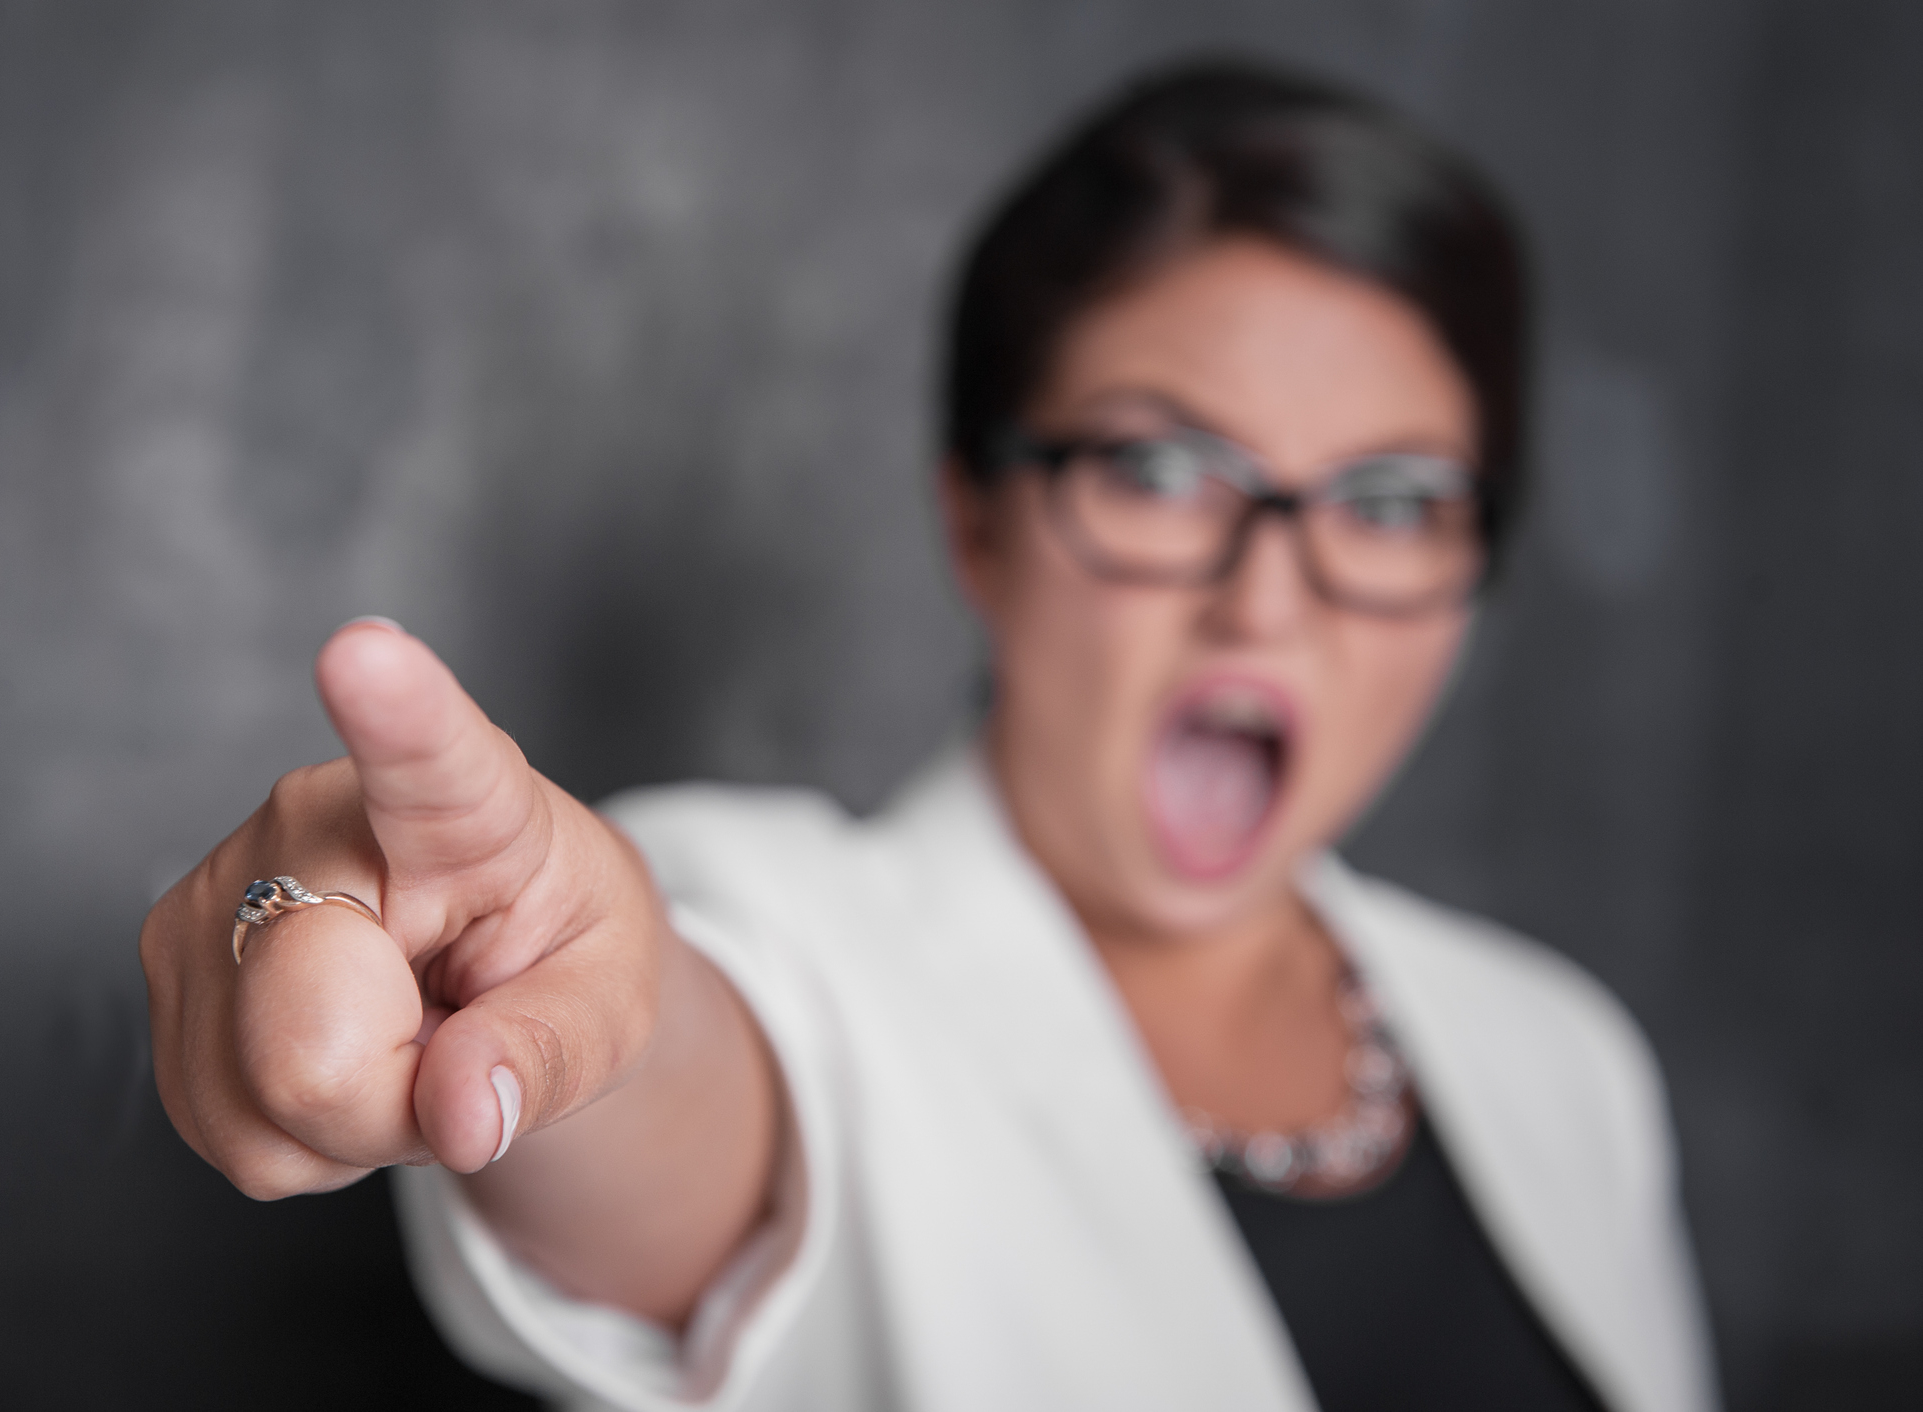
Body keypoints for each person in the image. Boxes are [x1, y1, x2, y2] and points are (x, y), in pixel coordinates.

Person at [140, 58, 1717, 1412]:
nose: (1270, 602)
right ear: (977, 519)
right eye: (1162, 474)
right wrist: (540, 983)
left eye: (1387, 504)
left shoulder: (1559, 1063)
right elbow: (670, 1079)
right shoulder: (771, 926)